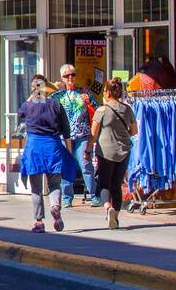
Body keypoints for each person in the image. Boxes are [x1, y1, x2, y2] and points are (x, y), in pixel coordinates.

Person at [17, 75, 79, 233]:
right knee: (54, 183)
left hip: (34, 148)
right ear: (46, 88)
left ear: (33, 89)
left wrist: (32, 96)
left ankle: (39, 222)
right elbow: (66, 131)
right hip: (53, 147)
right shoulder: (56, 105)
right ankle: (55, 207)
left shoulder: (28, 105)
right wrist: (70, 152)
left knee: (36, 187)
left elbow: (19, 119)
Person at [91, 77, 138, 231]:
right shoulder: (127, 109)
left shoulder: (102, 110)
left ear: (108, 92)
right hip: (123, 152)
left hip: (105, 152)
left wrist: (88, 149)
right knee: (116, 185)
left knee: (104, 183)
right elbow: (134, 131)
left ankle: (107, 207)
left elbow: (94, 132)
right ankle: (116, 217)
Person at [53, 64, 98, 208]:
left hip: (82, 134)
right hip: (65, 136)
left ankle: (94, 195)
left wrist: (89, 102)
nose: (70, 78)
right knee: (66, 165)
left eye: (73, 74)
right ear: (62, 78)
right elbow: (44, 103)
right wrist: (54, 87)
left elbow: (97, 109)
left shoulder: (84, 93)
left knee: (85, 164)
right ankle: (67, 197)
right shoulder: (58, 95)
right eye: (67, 76)